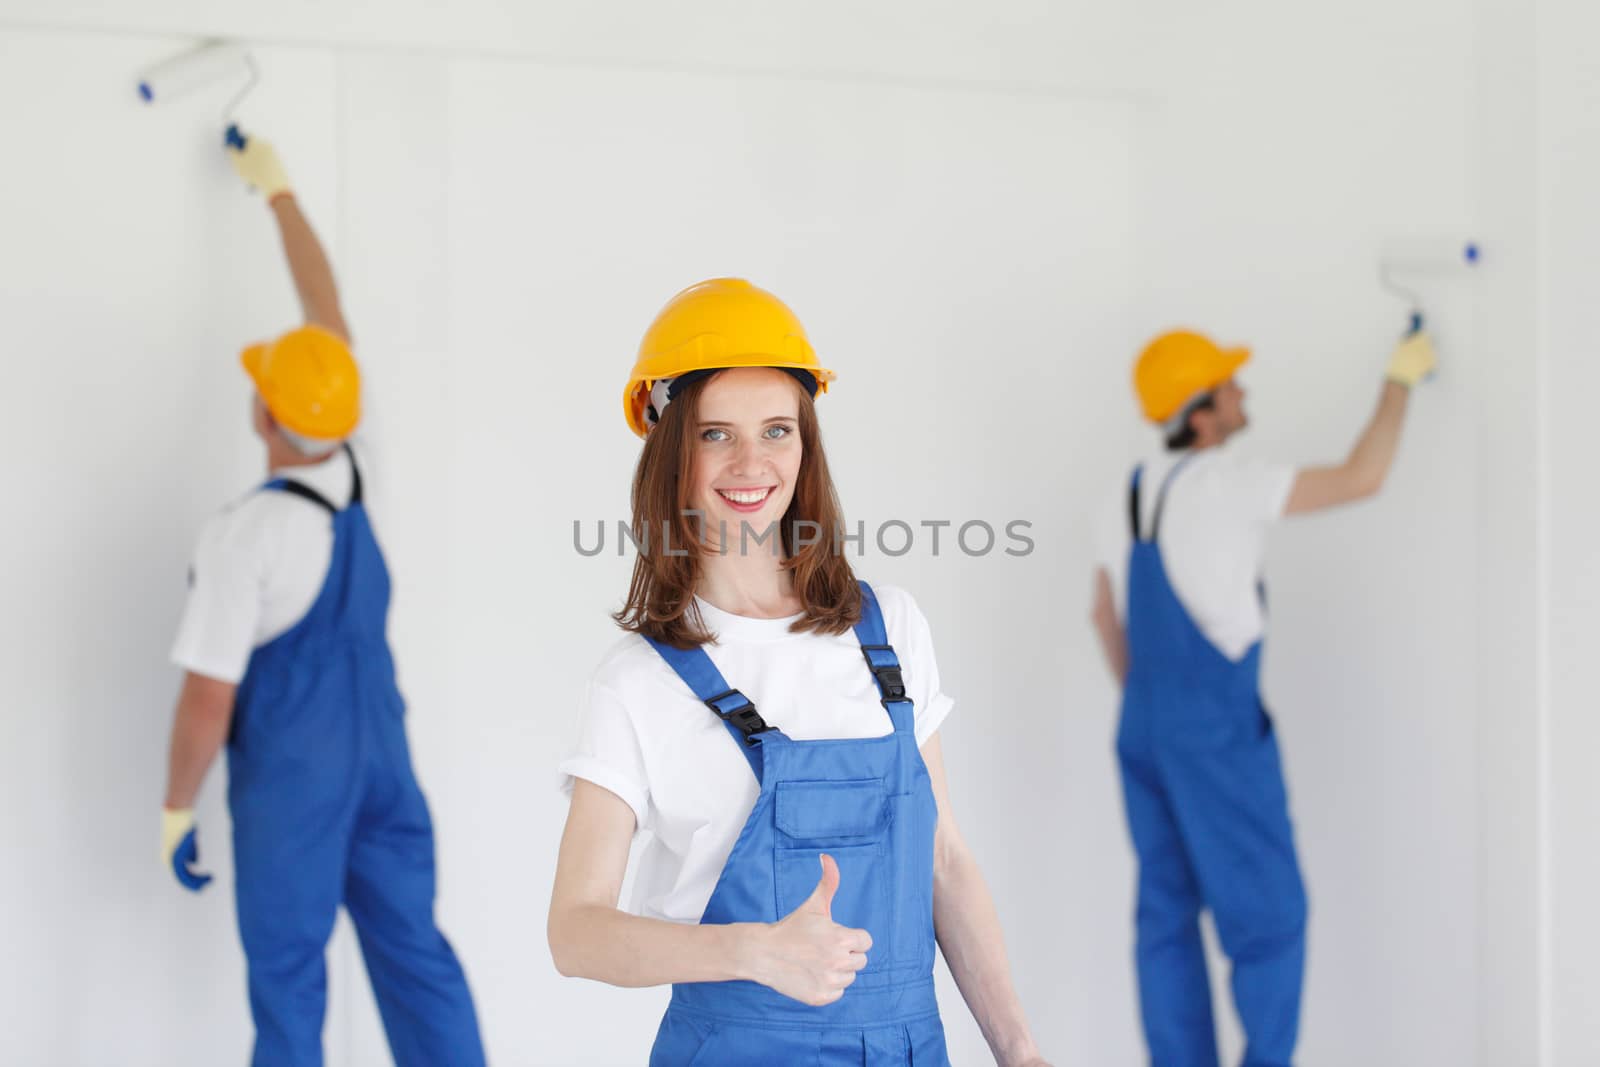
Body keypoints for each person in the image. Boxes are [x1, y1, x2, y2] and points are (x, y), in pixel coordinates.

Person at [548, 278, 1049, 1066]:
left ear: (806, 442)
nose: (752, 462)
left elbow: (945, 861)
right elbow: (574, 931)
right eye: (717, 434)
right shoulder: (639, 681)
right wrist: (751, 950)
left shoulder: (890, 632)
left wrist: (1019, 1049)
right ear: (670, 445)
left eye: (777, 429)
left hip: (908, 1046)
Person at [159, 128, 485, 1067]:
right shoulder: (357, 457)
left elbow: (207, 701)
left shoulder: (243, 537)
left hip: (293, 783)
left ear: (264, 413)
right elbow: (325, 310)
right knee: (417, 957)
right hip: (384, 758)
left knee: (291, 979)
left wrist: (177, 804)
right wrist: (281, 194)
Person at [1089, 327, 1438, 1065]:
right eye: (1228, 385)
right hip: (1211, 729)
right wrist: (1399, 380)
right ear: (1202, 413)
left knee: (1167, 920)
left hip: (1143, 725)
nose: (1243, 392)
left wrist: (1153, 704)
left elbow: (1103, 611)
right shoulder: (1226, 484)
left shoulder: (1128, 491)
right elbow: (1362, 475)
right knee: (1270, 919)